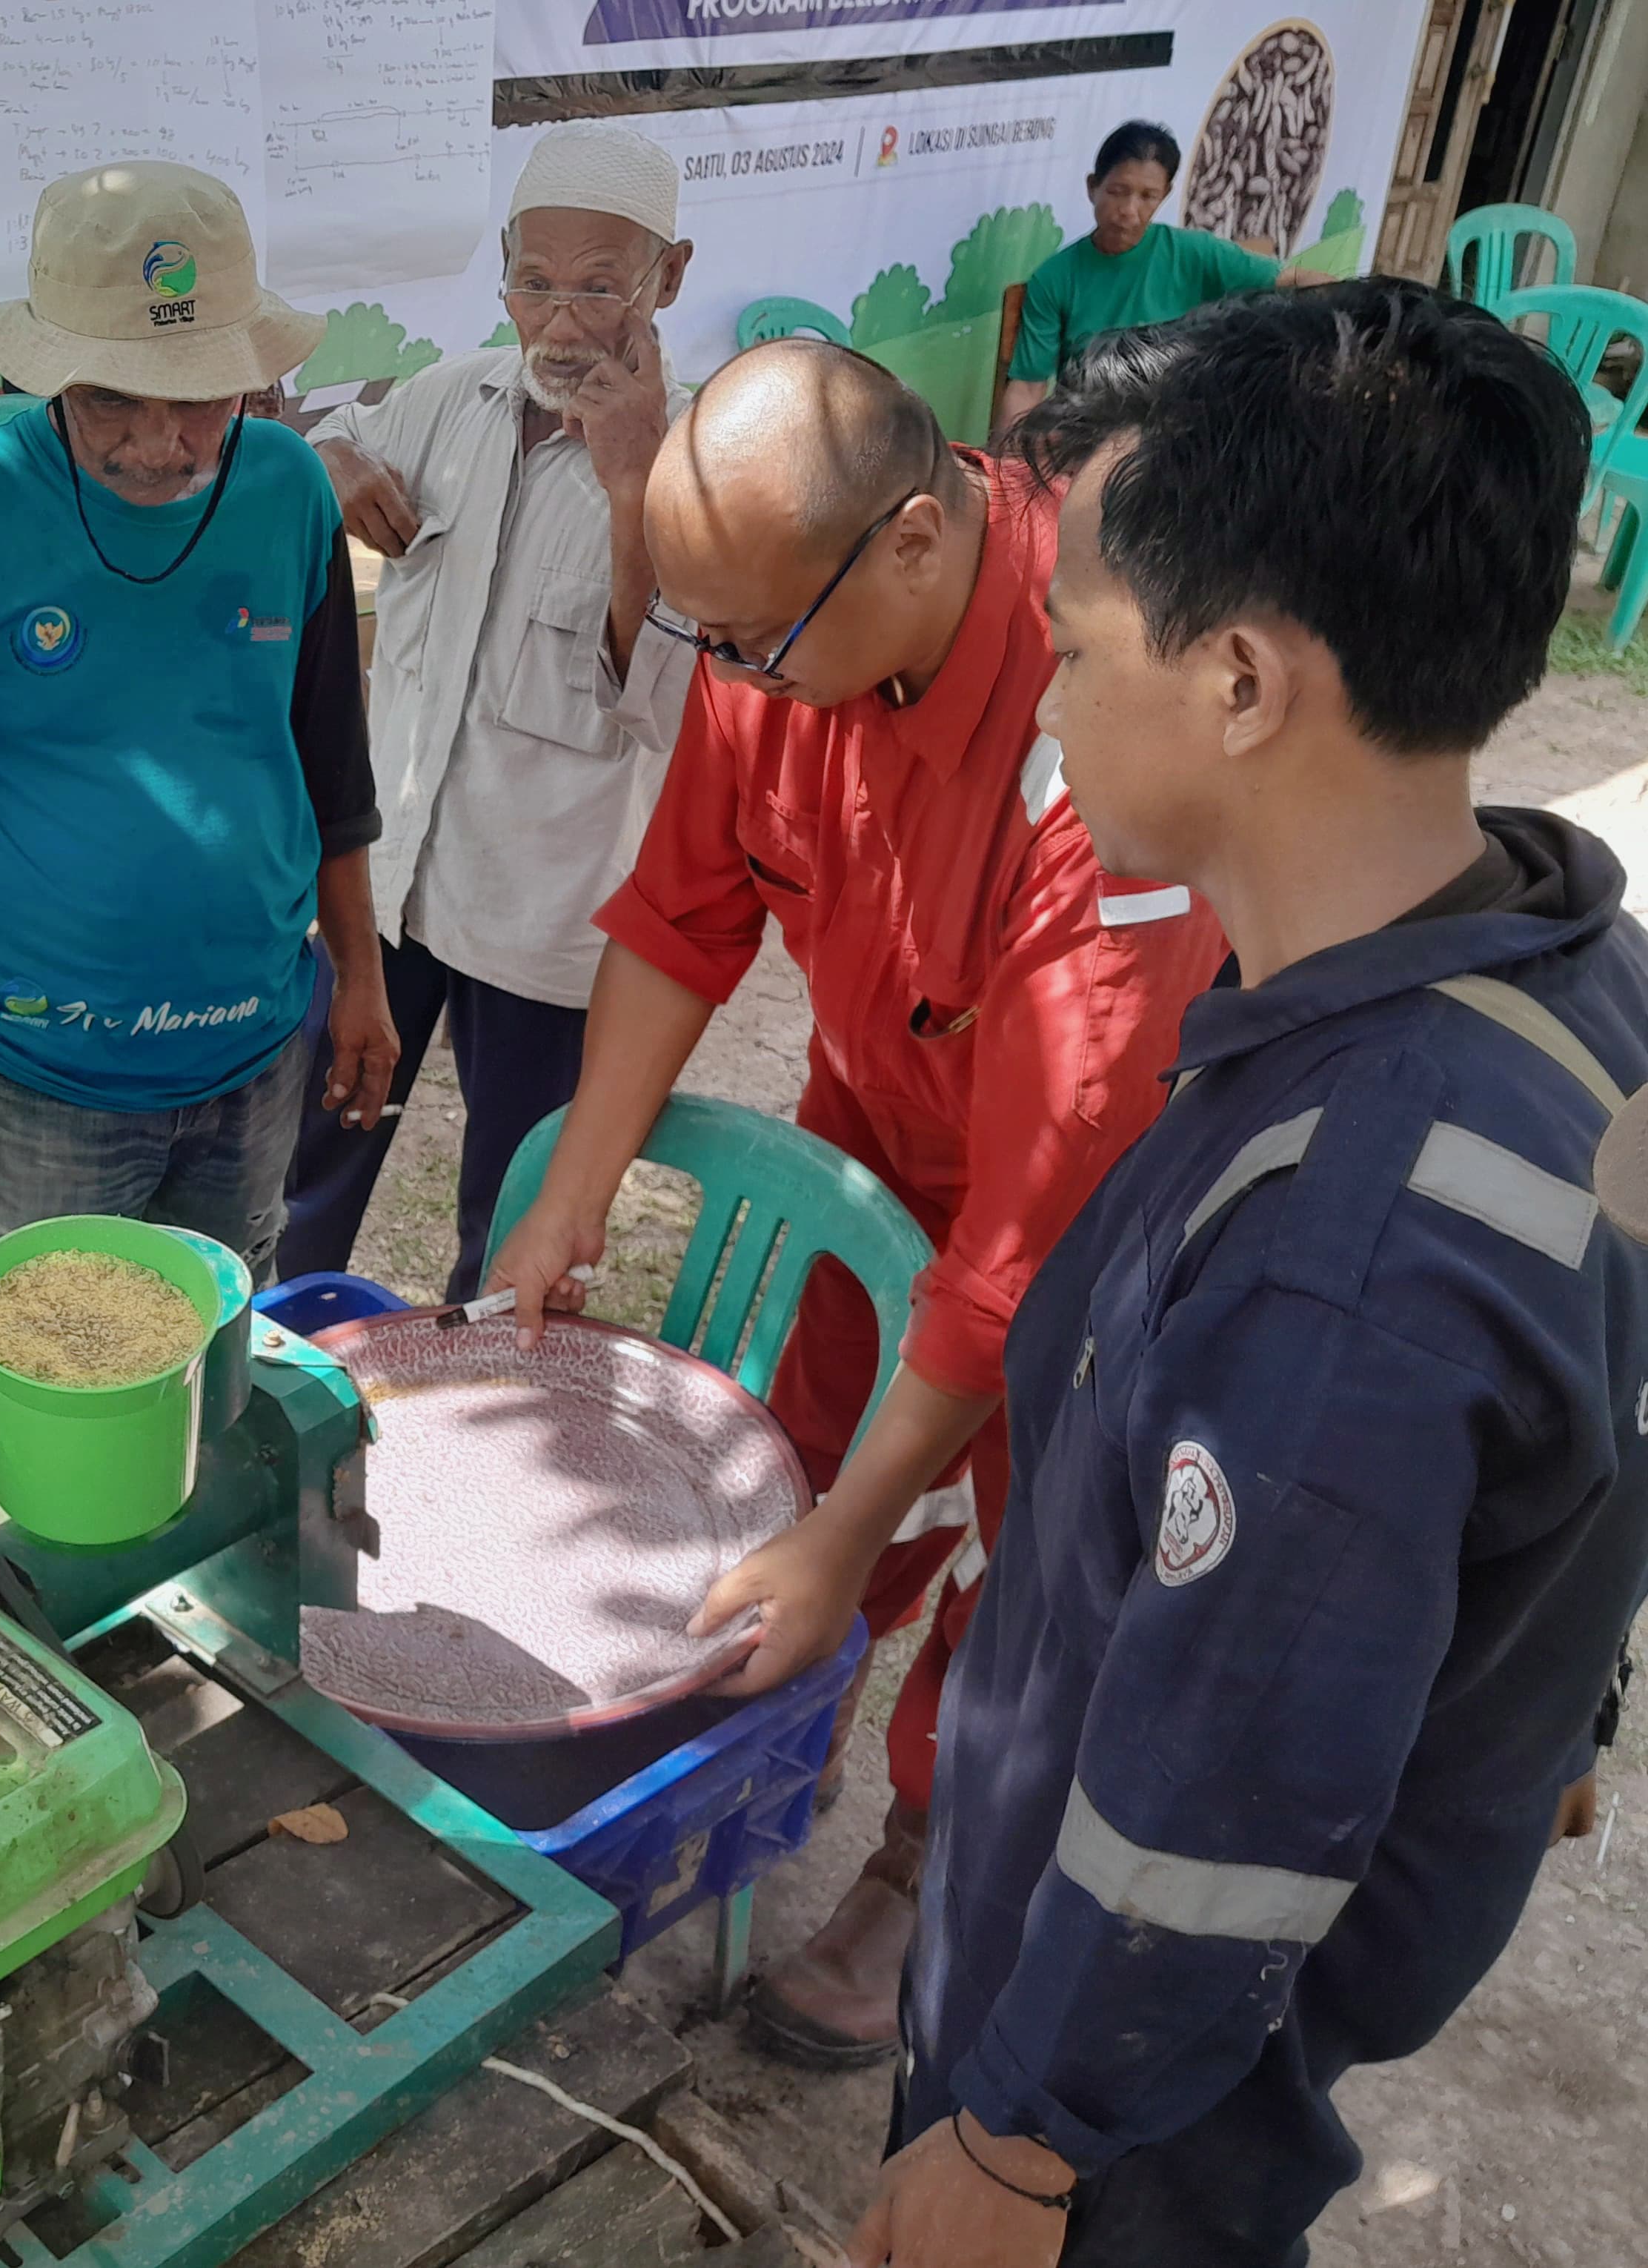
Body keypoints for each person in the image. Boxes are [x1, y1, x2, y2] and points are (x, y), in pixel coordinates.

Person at [860, 281, 1648, 2268]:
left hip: (1139, 2106)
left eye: (1067, 648)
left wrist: (1025, 2143)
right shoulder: (1558, 966)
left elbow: (1219, 1816)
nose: (1039, 702)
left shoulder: (1345, 1255)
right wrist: (1555, 1712)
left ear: (1237, 683)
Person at [487, 339, 1223, 2067]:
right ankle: (774, 1724)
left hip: (1093, 1213)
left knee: (1028, 1541)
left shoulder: (1092, 726)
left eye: (748, 641)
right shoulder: (777, 614)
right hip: (877, 1123)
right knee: (788, 1457)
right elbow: (682, 915)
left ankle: (927, 1858)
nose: (725, 676)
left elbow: (1019, 1246)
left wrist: (846, 1531)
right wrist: (564, 1199)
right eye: (704, 637)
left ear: (907, 542)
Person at [0, 162, 396, 1290]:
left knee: (208, 1387)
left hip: (255, 1058)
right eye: (111, 398)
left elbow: (331, 769)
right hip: (35, 1086)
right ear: (51, 373)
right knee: (21, 1404)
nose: (158, 443)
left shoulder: (289, 496)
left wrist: (359, 978)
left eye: (197, 396)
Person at [279, 123, 697, 1302]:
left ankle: (489, 1431)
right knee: (314, 1161)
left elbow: (657, 697)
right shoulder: (450, 395)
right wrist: (331, 463)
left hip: (545, 919)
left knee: (507, 1214)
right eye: (534, 283)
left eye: (600, 287)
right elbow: (330, 445)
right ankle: (267, 1379)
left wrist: (632, 488)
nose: (561, 323)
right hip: (393, 881)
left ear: (669, 278)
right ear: (505, 274)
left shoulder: (701, 457)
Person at [994, 121, 1326, 435]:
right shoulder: (1055, 278)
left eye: (1147, 196)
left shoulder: (1195, 254)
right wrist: (1005, 472)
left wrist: (1363, 317)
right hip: (1088, 437)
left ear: (1165, 195)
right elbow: (1027, 387)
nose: (1129, 210)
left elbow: (1294, 280)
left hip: (1177, 433)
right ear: (1093, 187)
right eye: (1117, 191)